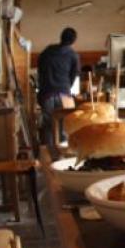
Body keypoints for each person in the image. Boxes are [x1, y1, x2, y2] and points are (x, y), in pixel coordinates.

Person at [38, 27, 79, 156]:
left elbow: (40, 70)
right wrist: (66, 86)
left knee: (49, 127)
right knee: (65, 127)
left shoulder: (47, 52)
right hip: (64, 94)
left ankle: (51, 157)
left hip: (47, 94)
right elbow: (74, 75)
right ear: (73, 41)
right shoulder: (73, 55)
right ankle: (64, 157)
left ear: (61, 37)